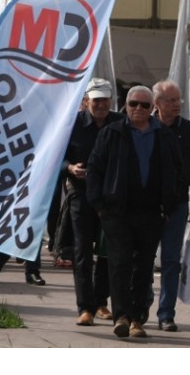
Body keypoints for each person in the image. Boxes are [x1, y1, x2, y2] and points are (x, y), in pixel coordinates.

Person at [86, 85, 184, 338]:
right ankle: (121, 316)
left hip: (152, 213)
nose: (138, 109)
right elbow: (95, 169)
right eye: (133, 104)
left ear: (153, 108)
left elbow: (177, 171)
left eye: (144, 105)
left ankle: (137, 318)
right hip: (116, 212)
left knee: (143, 266)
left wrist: (169, 207)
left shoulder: (164, 135)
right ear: (126, 106)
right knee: (119, 264)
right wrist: (99, 206)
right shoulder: (111, 133)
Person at [63, 78, 123, 326]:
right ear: (86, 100)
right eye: (96, 100)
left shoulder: (119, 123)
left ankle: (101, 302)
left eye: (105, 100)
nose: (100, 105)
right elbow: (56, 155)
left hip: (110, 197)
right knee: (82, 252)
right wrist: (70, 167)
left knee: (107, 251)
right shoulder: (72, 124)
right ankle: (84, 306)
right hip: (81, 193)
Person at [151, 79, 190, 332]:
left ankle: (166, 314)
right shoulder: (144, 125)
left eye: (178, 99)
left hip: (178, 204)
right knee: (142, 258)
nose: (177, 104)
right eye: (171, 100)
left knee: (171, 260)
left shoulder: (189, 129)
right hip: (147, 205)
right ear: (157, 103)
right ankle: (139, 308)